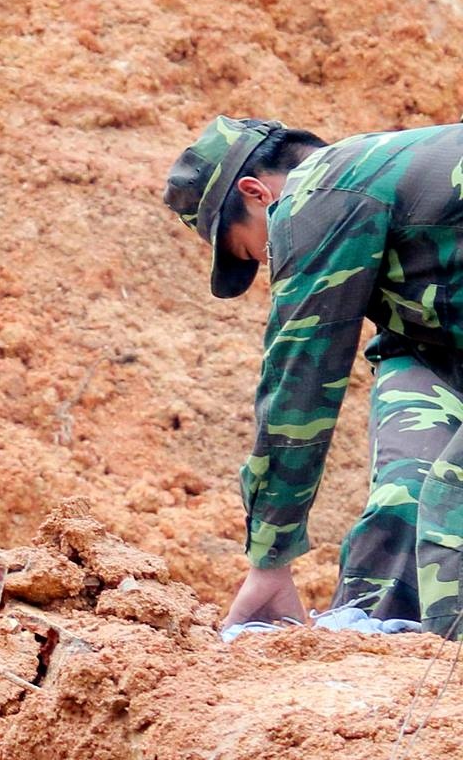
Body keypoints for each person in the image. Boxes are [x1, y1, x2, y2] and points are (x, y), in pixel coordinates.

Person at [165, 115, 463, 637]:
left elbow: (300, 378)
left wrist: (269, 555)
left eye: (253, 249)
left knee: (451, 505)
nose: (271, 262)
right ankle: (376, 642)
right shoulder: (393, 195)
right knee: (412, 496)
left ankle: (436, 695)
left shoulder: (320, 190)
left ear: (257, 194)